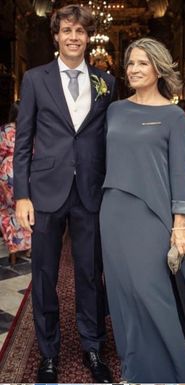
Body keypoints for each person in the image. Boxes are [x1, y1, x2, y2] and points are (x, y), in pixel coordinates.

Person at [13, 4, 116, 383]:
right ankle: (49, 354)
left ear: (89, 37)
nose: (74, 37)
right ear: (56, 36)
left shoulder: (107, 81)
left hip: (90, 192)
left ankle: (92, 348)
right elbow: (23, 142)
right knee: (44, 275)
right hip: (45, 192)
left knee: (90, 273)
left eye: (80, 31)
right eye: (67, 30)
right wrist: (22, 195)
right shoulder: (35, 79)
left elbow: (108, 140)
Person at [99, 38, 185, 382]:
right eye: (130, 63)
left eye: (142, 63)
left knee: (152, 294)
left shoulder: (173, 116)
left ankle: (175, 372)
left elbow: (178, 173)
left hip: (151, 217)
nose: (133, 69)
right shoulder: (115, 110)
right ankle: (136, 368)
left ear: (158, 68)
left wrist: (180, 226)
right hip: (113, 211)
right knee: (124, 296)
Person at [0, 101, 31, 264]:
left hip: (7, 174)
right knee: (27, 210)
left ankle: (13, 247)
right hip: (28, 172)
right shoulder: (33, 128)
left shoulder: (6, 129)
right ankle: (28, 247)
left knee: (8, 211)